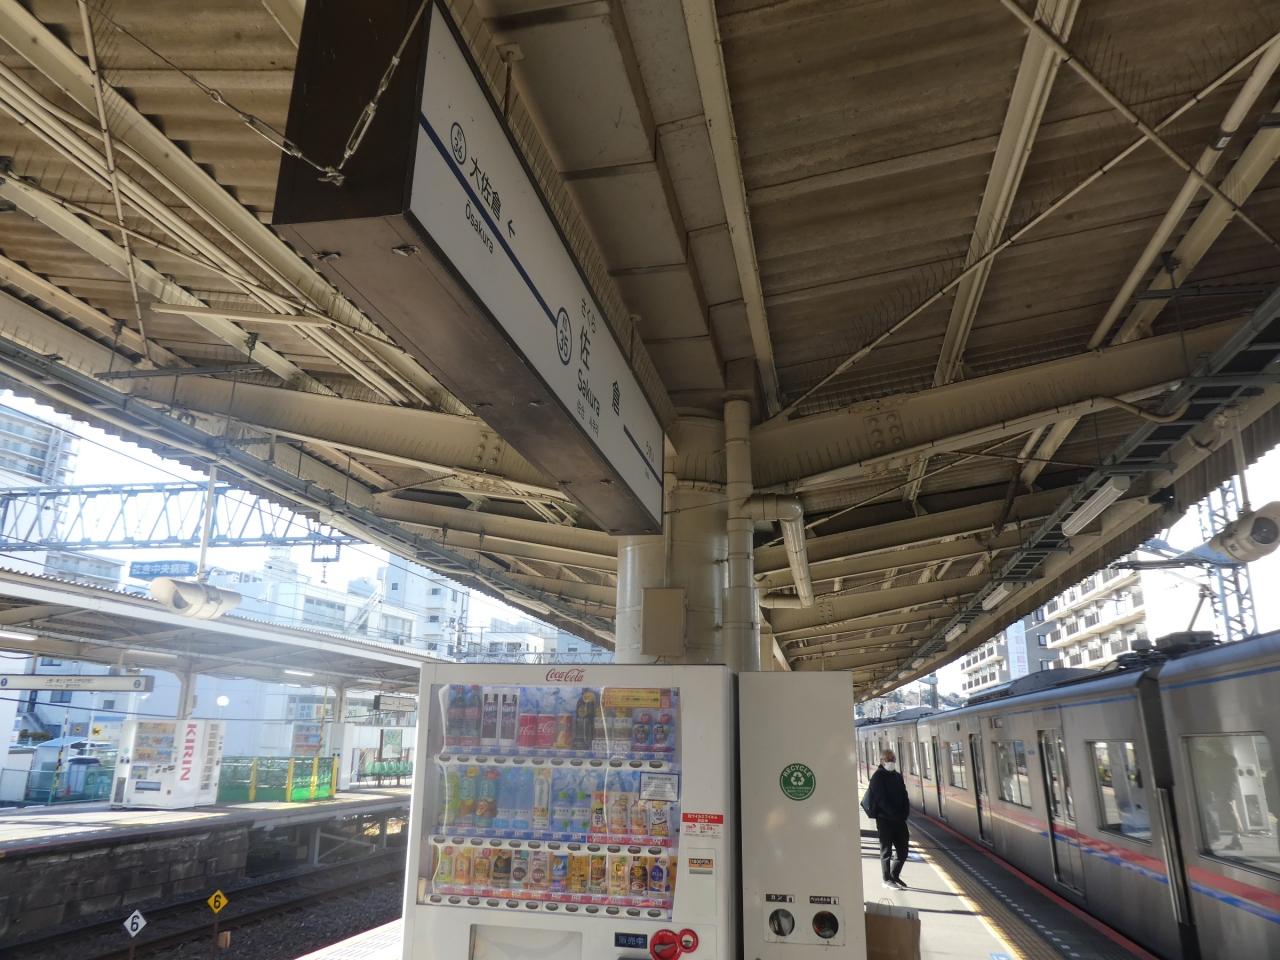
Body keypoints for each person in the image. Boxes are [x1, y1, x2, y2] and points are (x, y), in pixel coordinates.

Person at [862, 748, 911, 890]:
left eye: (893, 759)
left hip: (900, 820)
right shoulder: (877, 777)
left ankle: (894, 875)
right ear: (882, 761)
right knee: (886, 851)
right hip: (884, 820)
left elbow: (904, 795)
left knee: (903, 850)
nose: (891, 762)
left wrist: (905, 813)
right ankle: (886, 879)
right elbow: (881, 799)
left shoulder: (897, 776)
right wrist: (894, 813)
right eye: (889, 759)